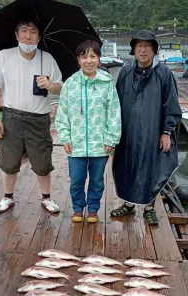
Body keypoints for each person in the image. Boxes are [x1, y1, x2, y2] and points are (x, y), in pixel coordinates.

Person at [0, 19, 63, 213]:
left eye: (32, 31)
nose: (28, 36)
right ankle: (8, 197)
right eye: (23, 30)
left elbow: (60, 87)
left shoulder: (47, 58)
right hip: (11, 117)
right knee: (8, 160)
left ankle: (46, 198)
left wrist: (50, 85)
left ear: (39, 36)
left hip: (39, 118)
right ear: (16, 34)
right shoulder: (4, 56)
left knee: (43, 161)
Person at [111, 30, 182, 225]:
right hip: (128, 131)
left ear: (154, 50)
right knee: (126, 166)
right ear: (133, 49)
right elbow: (115, 102)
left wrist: (166, 132)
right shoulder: (125, 72)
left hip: (152, 131)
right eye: (139, 46)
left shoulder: (164, 74)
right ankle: (128, 204)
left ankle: (150, 207)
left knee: (151, 168)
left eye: (147, 46)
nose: (143, 50)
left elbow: (172, 105)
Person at [55, 39, 121, 223]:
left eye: (93, 56)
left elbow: (114, 113)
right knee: (76, 179)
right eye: (84, 57)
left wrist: (111, 139)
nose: (89, 61)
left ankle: (93, 208)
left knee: (97, 180)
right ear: (78, 60)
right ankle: (78, 208)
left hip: (100, 144)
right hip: (75, 144)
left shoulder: (107, 83)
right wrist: (65, 137)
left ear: (99, 59)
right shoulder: (70, 83)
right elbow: (62, 113)